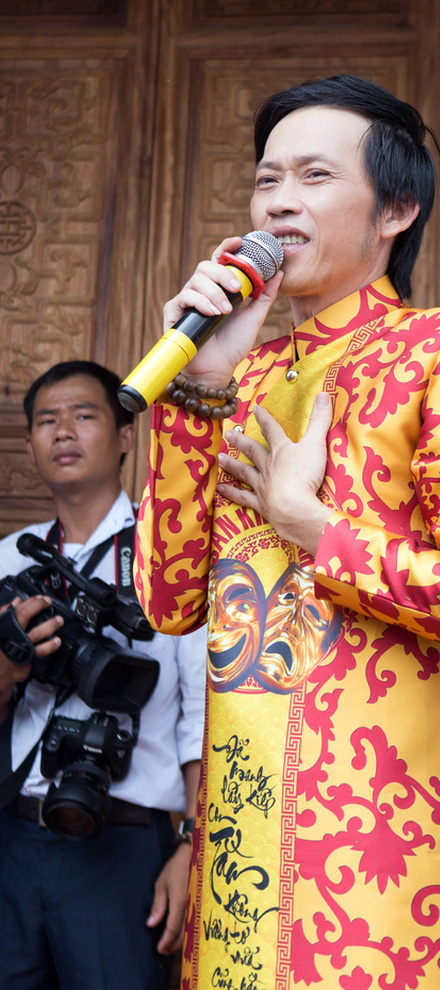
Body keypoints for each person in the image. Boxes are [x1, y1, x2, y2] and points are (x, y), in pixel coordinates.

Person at [135, 75, 440, 990]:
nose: (279, 200)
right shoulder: (237, 377)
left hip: (380, 882)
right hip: (236, 881)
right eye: (267, 179)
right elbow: (168, 602)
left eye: (315, 176)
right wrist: (199, 388)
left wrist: (315, 527)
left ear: (396, 210)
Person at [0, 361, 207, 990]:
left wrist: (192, 848)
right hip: (14, 838)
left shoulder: (169, 555)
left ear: (124, 436)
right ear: (30, 446)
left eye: (83, 415)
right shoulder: (10, 559)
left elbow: (202, 714)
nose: (63, 431)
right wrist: (7, 669)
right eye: (46, 421)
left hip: (124, 846)